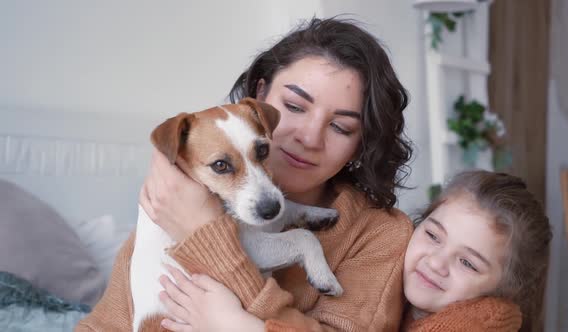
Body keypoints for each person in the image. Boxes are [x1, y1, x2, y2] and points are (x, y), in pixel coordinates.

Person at [76, 17, 414, 331]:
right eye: (295, 107)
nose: (309, 138)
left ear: (362, 141)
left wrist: (208, 246)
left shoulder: (381, 234)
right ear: (261, 95)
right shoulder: (173, 201)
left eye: (341, 127)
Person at [156, 171, 551, 332]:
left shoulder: (477, 322)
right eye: (433, 235)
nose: (436, 261)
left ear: (505, 288)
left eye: (467, 262)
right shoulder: (411, 299)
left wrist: (236, 325)